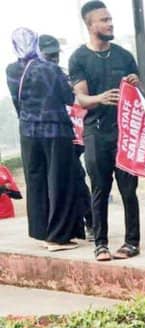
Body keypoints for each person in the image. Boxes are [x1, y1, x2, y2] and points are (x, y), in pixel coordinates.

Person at [69, 1, 142, 261]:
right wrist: (100, 98)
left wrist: (136, 84)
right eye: (104, 20)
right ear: (90, 25)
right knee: (100, 188)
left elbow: (138, 95)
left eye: (110, 19)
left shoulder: (124, 56)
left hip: (125, 133)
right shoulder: (79, 58)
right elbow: (80, 99)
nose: (110, 24)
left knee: (128, 190)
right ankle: (100, 244)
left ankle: (132, 242)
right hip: (96, 132)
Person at [6, 28, 78, 251]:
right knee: (59, 181)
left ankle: (41, 231)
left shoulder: (11, 70)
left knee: (36, 182)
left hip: (28, 131)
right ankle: (58, 237)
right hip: (55, 130)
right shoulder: (50, 68)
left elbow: (17, 103)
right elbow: (69, 98)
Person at [39, 33, 93, 242]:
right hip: (53, 137)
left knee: (77, 179)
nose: (54, 59)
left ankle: (90, 222)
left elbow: (75, 99)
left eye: (55, 55)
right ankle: (72, 225)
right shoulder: (37, 76)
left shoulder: (63, 75)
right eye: (49, 55)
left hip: (72, 135)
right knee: (64, 182)